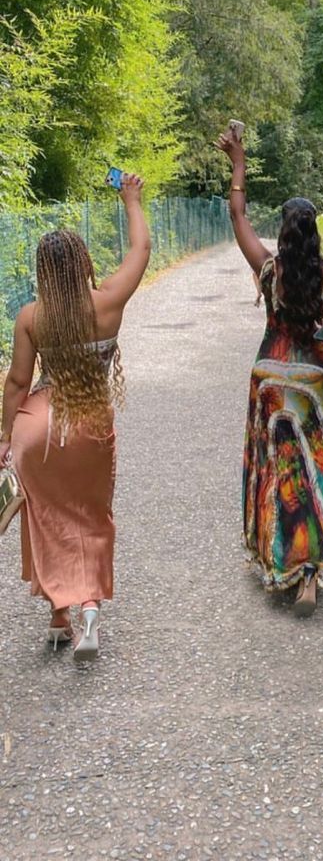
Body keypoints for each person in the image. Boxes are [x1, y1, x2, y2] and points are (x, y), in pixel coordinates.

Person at [215, 127, 323, 616]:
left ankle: (283, 559)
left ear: (281, 232)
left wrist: (238, 163)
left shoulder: (268, 269)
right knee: (320, 473)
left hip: (269, 383)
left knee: (278, 470)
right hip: (310, 385)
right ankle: (312, 567)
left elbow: (237, 215)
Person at [0, 176, 150, 659]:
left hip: (39, 434)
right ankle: (86, 610)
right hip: (91, 426)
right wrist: (131, 200)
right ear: (84, 263)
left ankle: (56, 615)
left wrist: (5, 435)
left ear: (44, 272)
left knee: (46, 516)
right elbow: (141, 250)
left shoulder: (31, 317)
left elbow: (18, 384)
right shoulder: (106, 303)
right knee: (90, 517)